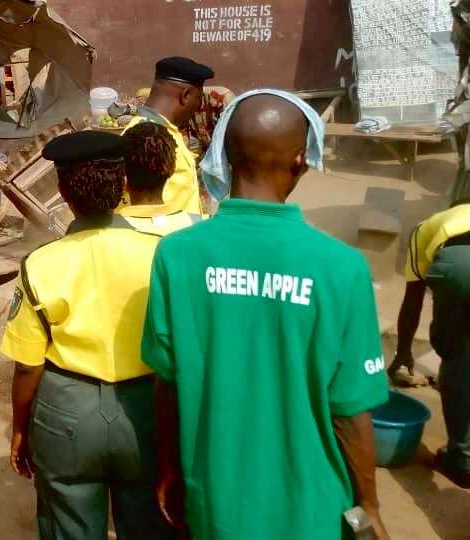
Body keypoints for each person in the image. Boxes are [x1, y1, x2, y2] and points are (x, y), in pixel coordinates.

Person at [141, 92, 390, 540]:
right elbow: (350, 413)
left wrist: (170, 468)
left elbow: (167, 382)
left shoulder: (176, 256)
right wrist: (369, 504)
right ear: (301, 159)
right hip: (311, 511)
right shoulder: (340, 267)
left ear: (227, 155)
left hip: (214, 502)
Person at [2, 123, 198, 540]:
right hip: (146, 410)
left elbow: (27, 366)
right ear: (124, 183)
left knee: (68, 522)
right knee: (149, 521)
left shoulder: (40, 263)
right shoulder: (163, 255)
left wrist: (21, 428)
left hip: (66, 411)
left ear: (64, 193)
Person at [390, 200, 470, 488]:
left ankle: (461, 457)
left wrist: (403, 354)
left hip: (459, 266)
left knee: (458, 354)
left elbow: (413, 300)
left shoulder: (426, 228)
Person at [118, 57, 213, 215]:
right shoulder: (147, 139)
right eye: (199, 100)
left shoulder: (164, 132)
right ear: (186, 96)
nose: (197, 108)